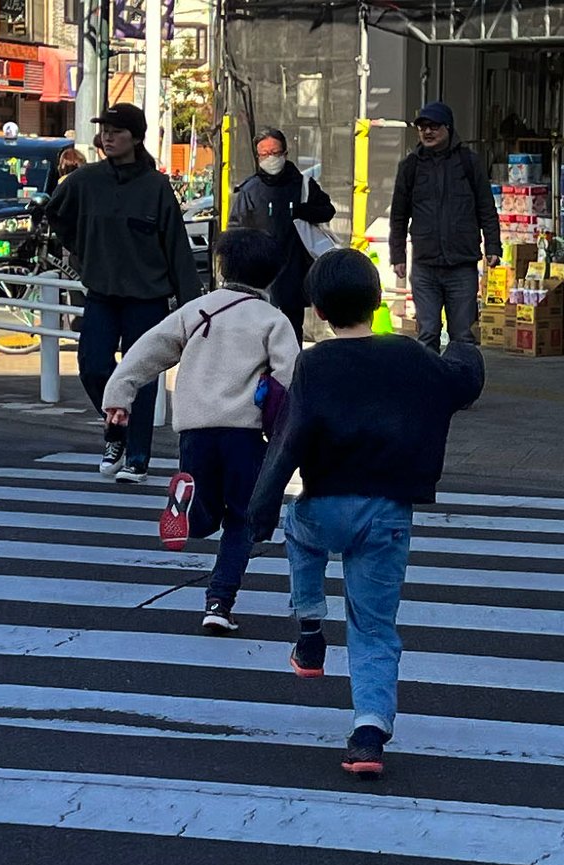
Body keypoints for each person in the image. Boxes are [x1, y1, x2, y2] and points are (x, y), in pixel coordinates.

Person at [246, 248, 484, 778]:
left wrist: (260, 511)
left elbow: (288, 441)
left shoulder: (315, 364)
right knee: (374, 626)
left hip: (325, 504)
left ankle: (311, 627)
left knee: (296, 528)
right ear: (378, 302)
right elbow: (465, 380)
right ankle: (369, 735)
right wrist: (463, 338)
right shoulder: (409, 355)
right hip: (387, 513)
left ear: (318, 311)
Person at [101, 228, 300, 632]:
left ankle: (187, 507)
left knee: (206, 516)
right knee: (241, 520)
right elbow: (292, 378)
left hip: (194, 431)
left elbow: (148, 350)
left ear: (222, 268)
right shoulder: (273, 320)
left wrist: (119, 395)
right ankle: (218, 603)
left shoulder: (196, 310)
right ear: (272, 275)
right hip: (245, 435)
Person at [46, 102, 201, 484]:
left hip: (147, 298)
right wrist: (83, 252)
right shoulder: (85, 180)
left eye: (116, 131)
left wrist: (192, 306)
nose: (108, 138)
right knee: (93, 366)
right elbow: (56, 214)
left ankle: (137, 457)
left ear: (135, 137)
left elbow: (177, 248)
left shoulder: (156, 187)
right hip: (101, 293)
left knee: (142, 376)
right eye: (105, 131)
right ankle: (116, 428)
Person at [388, 102, 500, 353]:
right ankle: (430, 379)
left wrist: (493, 246)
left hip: (462, 264)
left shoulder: (469, 162)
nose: (427, 132)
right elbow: (398, 216)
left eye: (434, 126)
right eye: (422, 128)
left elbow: (486, 208)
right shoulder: (410, 166)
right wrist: (397, 255)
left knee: (462, 335)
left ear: (448, 128)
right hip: (425, 265)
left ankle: (462, 376)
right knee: (428, 333)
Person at [227, 127, 336, 341]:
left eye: (275, 153)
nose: (271, 159)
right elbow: (235, 229)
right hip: (259, 276)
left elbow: (327, 211)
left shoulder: (303, 185)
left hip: (294, 273)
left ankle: (292, 363)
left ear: (285, 153)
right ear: (258, 157)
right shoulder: (250, 190)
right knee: (259, 335)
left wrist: (304, 211)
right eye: (264, 154)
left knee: (291, 333)